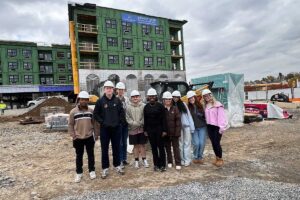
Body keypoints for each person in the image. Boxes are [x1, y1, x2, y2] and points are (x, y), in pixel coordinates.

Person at [93, 81, 126, 179]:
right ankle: (105, 168)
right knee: (105, 149)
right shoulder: (100, 101)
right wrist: (102, 122)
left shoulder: (117, 101)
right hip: (105, 130)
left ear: (113, 90)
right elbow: (96, 114)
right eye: (107, 88)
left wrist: (119, 122)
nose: (109, 90)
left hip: (116, 129)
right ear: (104, 89)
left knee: (116, 147)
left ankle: (117, 166)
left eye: (111, 88)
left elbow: (121, 113)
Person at [68, 91, 97, 183]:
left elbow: (95, 123)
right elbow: (70, 125)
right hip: (78, 138)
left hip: (89, 137)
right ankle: (79, 173)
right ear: (79, 100)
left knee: (91, 155)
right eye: (82, 99)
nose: (84, 101)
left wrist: (96, 134)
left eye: (85, 99)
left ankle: (92, 170)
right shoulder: (73, 112)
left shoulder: (91, 111)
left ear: (88, 100)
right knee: (79, 156)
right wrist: (73, 135)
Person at [202, 89, 228, 167]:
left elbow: (221, 117)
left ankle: (220, 159)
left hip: (217, 127)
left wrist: (222, 128)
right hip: (209, 127)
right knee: (213, 143)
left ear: (211, 95)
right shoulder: (206, 106)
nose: (206, 97)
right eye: (205, 96)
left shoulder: (217, 104)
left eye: (207, 95)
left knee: (217, 143)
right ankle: (217, 158)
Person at [144, 88, 168, 172]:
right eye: (150, 96)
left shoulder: (160, 106)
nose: (152, 97)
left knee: (161, 147)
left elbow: (164, 119)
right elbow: (145, 119)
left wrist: (165, 130)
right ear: (148, 97)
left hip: (159, 130)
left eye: (153, 96)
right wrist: (145, 130)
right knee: (153, 148)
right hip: (150, 130)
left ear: (156, 96)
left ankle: (163, 165)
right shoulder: (146, 107)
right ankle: (156, 165)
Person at [126, 90, 149, 169]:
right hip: (132, 129)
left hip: (141, 128)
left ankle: (144, 159)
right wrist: (134, 123)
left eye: (136, 96)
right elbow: (127, 118)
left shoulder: (144, 106)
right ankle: (136, 161)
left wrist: (140, 123)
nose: (135, 98)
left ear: (139, 97)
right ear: (131, 98)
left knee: (142, 145)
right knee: (135, 146)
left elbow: (145, 116)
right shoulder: (128, 107)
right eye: (133, 97)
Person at [172, 91, 195, 167]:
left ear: (179, 97)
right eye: (174, 97)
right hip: (178, 128)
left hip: (186, 126)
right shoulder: (172, 106)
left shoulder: (184, 104)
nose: (175, 98)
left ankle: (187, 160)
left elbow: (189, 116)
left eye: (177, 97)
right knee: (180, 144)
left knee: (187, 143)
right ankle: (181, 159)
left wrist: (192, 127)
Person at [187, 91, 207, 164]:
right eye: (189, 98)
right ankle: (195, 157)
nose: (191, 99)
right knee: (196, 143)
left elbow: (206, 115)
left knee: (202, 143)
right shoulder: (188, 108)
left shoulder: (201, 106)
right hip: (194, 128)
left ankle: (200, 157)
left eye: (192, 97)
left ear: (195, 97)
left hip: (202, 127)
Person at [163, 91, 182, 170]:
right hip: (166, 133)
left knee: (176, 148)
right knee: (167, 148)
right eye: (166, 99)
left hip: (174, 133)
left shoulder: (175, 108)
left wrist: (177, 132)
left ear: (171, 100)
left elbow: (178, 121)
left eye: (169, 99)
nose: (168, 101)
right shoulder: (162, 109)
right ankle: (170, 161)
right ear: (164, 100)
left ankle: (178, 162)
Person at [115, 82, 130, 167]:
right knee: (119, 143)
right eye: (119, 89)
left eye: (122, 90)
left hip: (125, 124)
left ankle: (124, 159)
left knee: (124, 142)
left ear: (124, 90)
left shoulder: (126, 99)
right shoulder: (115, 99)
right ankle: (120, 160)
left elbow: (128, 110)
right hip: (118, 124)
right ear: (116, 90)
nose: (121, 91)